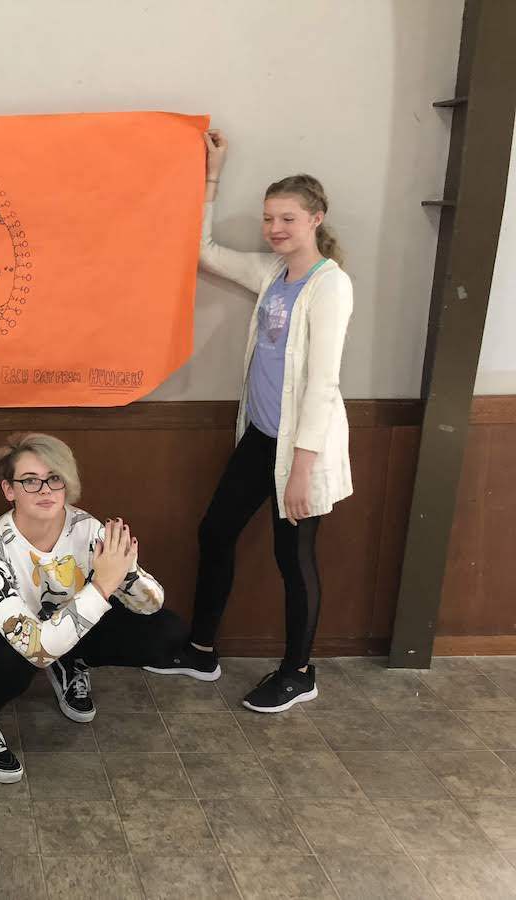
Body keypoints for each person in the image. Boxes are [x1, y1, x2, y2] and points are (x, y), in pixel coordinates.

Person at [145, 130, 354, 713]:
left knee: (295, 559)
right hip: (260, 438)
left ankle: (298, 671)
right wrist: (213, 173)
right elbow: (203, 249)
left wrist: (302, 470)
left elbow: (323, 383)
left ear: (315, 219)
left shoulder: (329, 285)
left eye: (287, 218)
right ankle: (202, 650)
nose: (275, 228)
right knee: (215, 532)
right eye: (269, 219)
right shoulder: (271, 274)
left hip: (300, 451)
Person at [0, 433, 185, 783]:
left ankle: (71, 661)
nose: (46, 490)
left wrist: (127, 571)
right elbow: (35, 648)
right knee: (11, 662)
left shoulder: (87, 528)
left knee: (167, 631)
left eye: (55, 479)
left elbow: (150, 603)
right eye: (30, 481)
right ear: (9, 490)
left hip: (68, 620)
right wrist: (102, 585)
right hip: (4, 635)